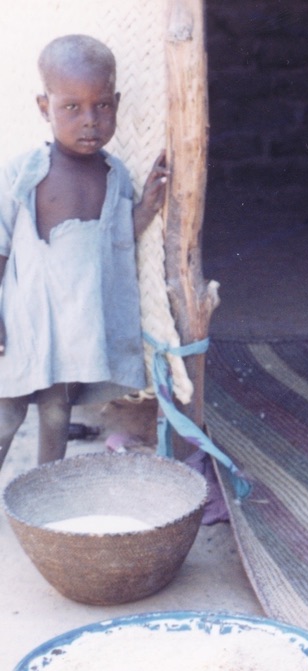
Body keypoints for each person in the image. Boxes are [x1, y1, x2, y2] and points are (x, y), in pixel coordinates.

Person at [0, 34, 167, 473]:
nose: (89, 120)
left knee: (57, 413)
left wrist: (147, 207)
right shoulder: (24, 174)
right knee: (5, 416)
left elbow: (115, 241)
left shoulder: (114, 176)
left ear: (116, 102)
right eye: (71, 108)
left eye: (102, 106)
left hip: (73, 329)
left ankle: (46, 494)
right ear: (44, 107)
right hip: (23, 326)